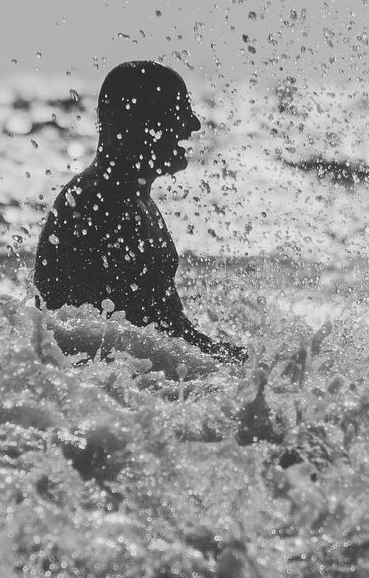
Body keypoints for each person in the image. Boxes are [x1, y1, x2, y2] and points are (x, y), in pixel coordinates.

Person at [34, 61, 245, 361]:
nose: (194, 125)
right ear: (140, 121)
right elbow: (135, 335)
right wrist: (223, 359)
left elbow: (157, 330)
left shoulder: (129, 198)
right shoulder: (104, 204)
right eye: (179, 111)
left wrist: (223, 354)